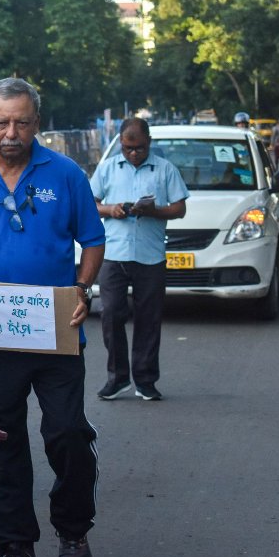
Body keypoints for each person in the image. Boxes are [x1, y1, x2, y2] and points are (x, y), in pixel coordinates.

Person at [0, 78, 105, 557]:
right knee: (1, 444)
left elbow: (92, 240)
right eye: (0, 122)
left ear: (37, 124)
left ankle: (73, 531)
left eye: (21, 122)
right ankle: (13, 544)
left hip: (56, 332)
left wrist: (84, 289)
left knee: (67, 433)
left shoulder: (66, 174)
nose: (11, 132)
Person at [90, 118, 188, 401]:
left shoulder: (165, 169)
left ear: (149, 143)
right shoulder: (107, 168)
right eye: (128, 148)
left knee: (149, 319)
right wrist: (112, 209)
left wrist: (153, 211)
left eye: (140, 148)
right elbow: (90, 204)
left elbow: (180, 209)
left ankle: (145, 380)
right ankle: (117, 378)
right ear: (121, 143)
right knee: (110, 315)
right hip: (114, 254)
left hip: (150, 255)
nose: (134, 153)